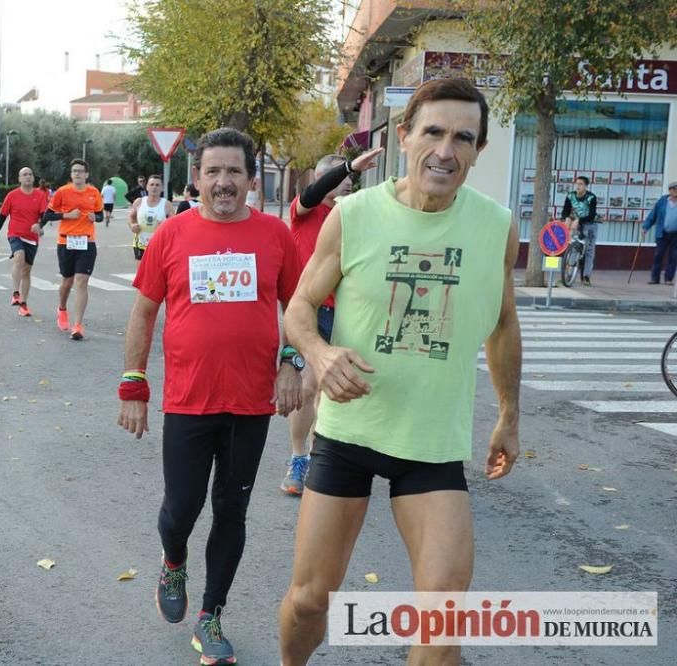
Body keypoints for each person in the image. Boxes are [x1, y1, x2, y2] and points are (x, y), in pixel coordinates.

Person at [277, 78, 521, 666]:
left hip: (432, 445)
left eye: (463, 137)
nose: (445, 150)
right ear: (404, 136)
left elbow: (504, 324)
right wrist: (320, 354)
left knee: (442, 620)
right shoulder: (354, 216)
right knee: (311, 602)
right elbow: (300, 308)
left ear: (479, 151)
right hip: (348, 436)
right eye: (433, 131)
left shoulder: (496, 226)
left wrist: (510, 415)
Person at [117, 127, 304, 666]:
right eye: (213, 172)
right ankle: (172, 559)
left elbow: (298, 306)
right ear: (197, 177)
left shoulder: (275, 236)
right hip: (187, 399)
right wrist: (133, 383)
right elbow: (144, 311)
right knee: (182, 508)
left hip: (250, 403)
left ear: (250, 179)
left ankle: (210, 616)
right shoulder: (171, 235)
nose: (224, 182)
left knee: (232, 509)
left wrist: (292, 362)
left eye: (234, 172)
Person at [279, 146, 383, 495]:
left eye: (352, 180)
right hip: (311, 313)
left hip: (347, 314)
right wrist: (349, 166)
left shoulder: (354, 217)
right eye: (342, 179)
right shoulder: (304, 212)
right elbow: (312, 192)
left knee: (335, 389)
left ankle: (327, 457)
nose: (349, 184)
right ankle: (299, 459)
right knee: (307, 387)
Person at [46, 158, 104, 340]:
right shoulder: (63, 192)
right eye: (74, 171)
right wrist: (67, 215)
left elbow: (100, 214)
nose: (77, 174)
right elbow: (48, 214)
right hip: (66, 242)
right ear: (71, 175)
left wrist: (97, 218)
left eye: (80, 171)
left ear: (86, 174)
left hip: (87, 242)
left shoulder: (94, 192)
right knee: (67, 281)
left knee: (82, 281)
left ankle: (77, 325)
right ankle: (62, 308)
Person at [0, 166, 45, 316]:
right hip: (15, 234)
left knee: (27, 272)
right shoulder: (12, 195)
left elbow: (44, 215)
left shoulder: (40, 195)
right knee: (19, 255)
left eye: (30, 174)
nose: (28, 177)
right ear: (19, 179)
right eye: (24, 174)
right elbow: (2, 217)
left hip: (32, 238)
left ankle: (24, 303)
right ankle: (15, 293)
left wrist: (40, 226)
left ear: (33, 178)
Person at [561, 175, 598, 285]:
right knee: (572, 247)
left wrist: (579, 220)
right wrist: (567, 218)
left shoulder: (591, 197)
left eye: (581, 184)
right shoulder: (570, 196)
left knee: (589, 251)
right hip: (575, 225)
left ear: (586, 186)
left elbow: (592, 215)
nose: (578, 186)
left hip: (589, 225)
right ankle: (568, 274)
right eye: (577, 184)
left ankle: (586, 276)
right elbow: (565, 210)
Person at [128, 174, 174, 262]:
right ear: (147, 187)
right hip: (141, 243)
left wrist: (165, 226)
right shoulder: (139, 202)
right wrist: (132, 225)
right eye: (152, 185)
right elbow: (131, 217)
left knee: (157, 273)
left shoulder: (167, 204)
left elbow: (174, 224)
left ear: (162, 188)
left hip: (159, 245)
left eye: (157, 185)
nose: (154, 187)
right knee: (141, 272)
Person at [641, 181, 677, 285]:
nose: (676, 191)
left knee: (674, 257)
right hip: (662, 233)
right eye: (674, 189)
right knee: (658, 255)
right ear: (670, 190)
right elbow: (653, 215)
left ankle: (668, 279)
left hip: (676, 235)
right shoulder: (662, 201)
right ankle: (655, 278)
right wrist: (645, 227)